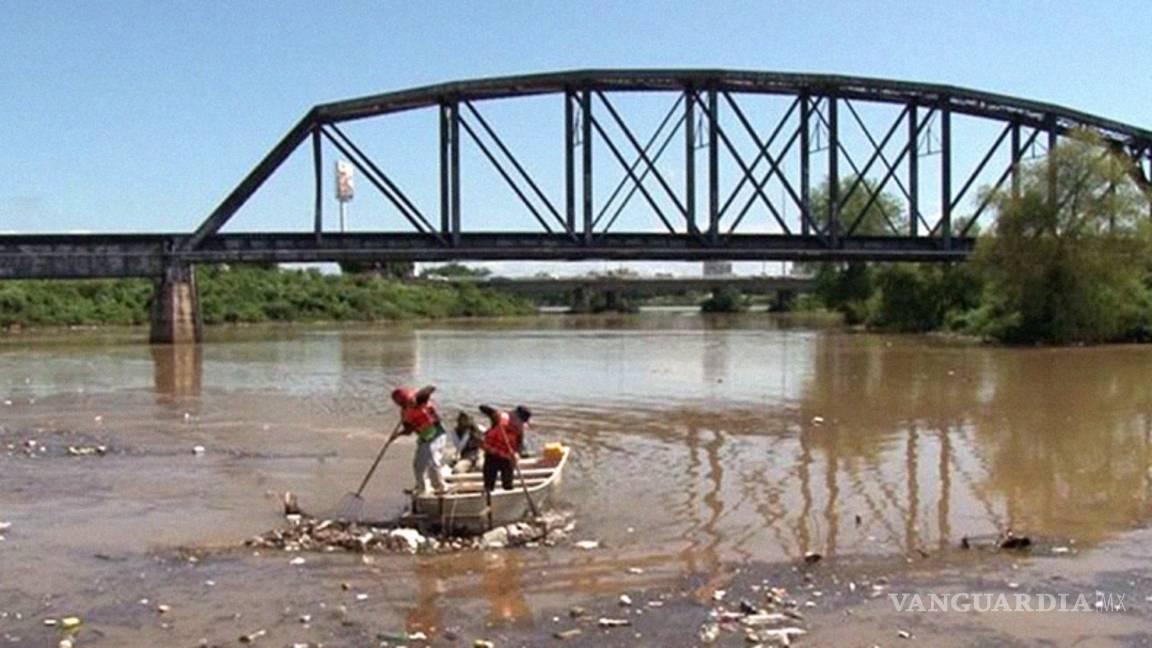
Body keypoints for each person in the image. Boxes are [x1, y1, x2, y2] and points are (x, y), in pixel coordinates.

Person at [391, 385, 449, 494]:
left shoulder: (420, 400)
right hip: (424, 437)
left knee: (432, 461)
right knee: (418, 465)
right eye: (402, 403)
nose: (405, 404)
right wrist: (397, 434)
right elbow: (409, 430)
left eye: (406, 401)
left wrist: (416, 399)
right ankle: (421, 488)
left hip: (437, 434)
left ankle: (441, 487)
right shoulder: (404, 413)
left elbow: (430, 388)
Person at [478, 404, 532, 492]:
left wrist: (516, 455)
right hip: (494, 455)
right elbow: (482, 407)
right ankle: (490, 500)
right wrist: (495, 413)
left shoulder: (519, 428)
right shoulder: (500, 418)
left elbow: (519, 446)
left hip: (503, 458)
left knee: (504, 485)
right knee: (491, 485)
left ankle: (503, 498)